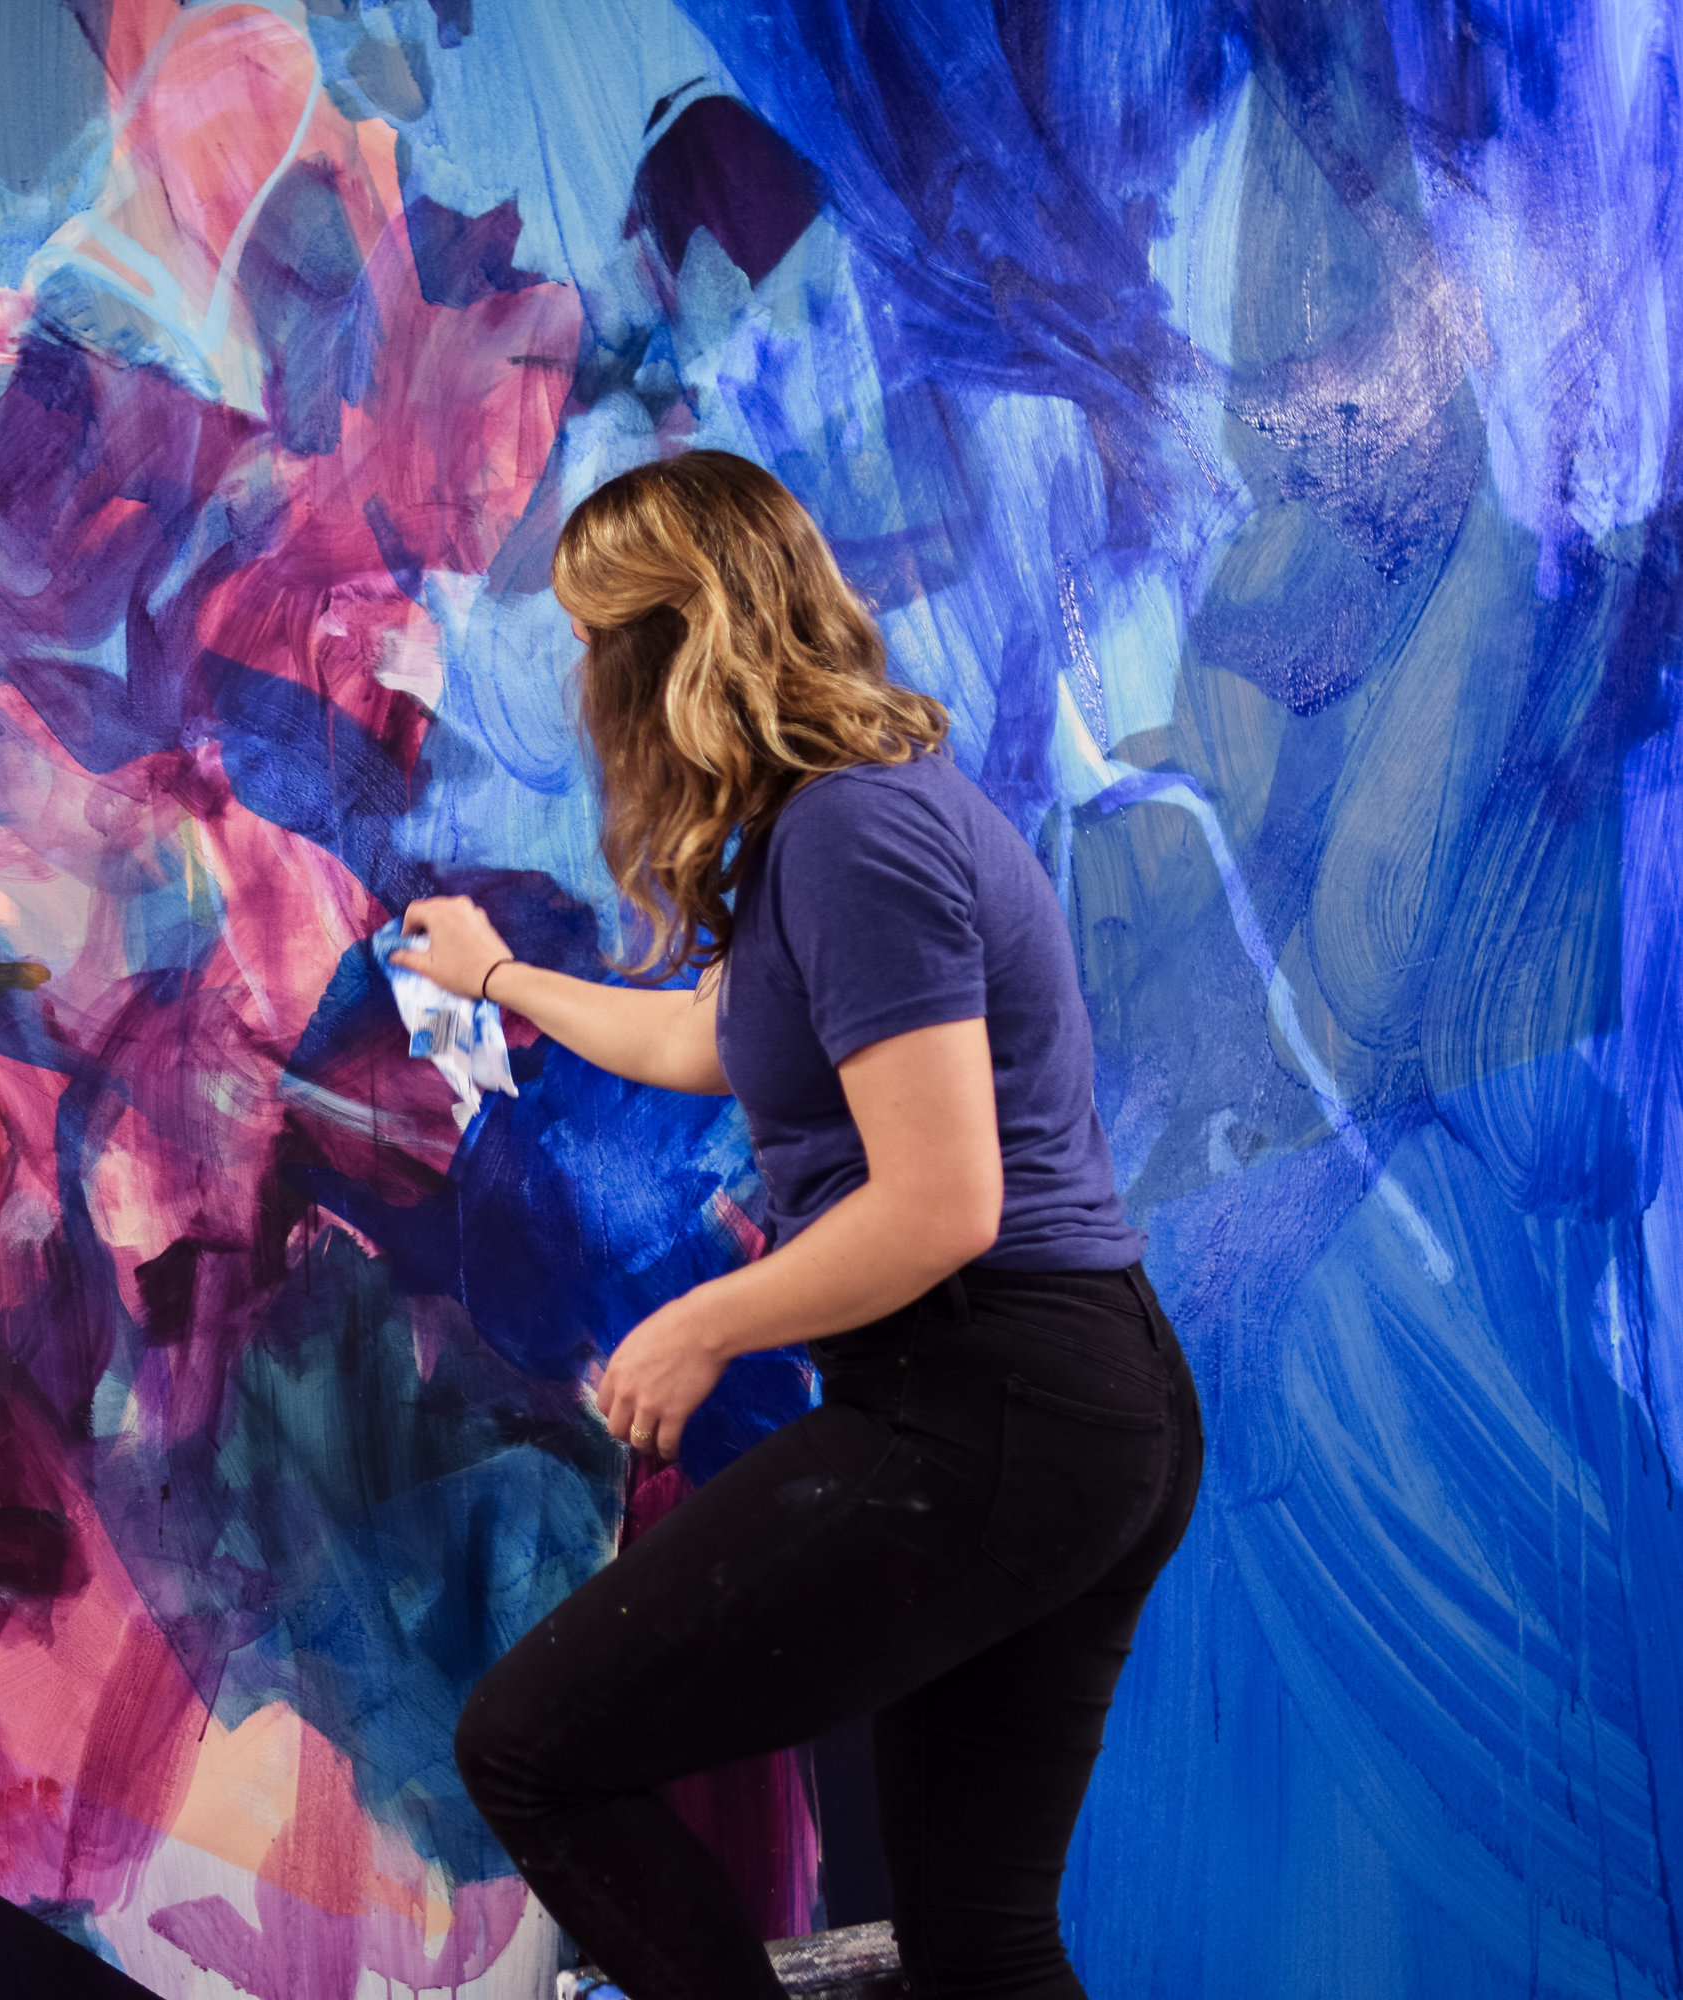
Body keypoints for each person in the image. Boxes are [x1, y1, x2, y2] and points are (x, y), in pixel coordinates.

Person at [391, 450, 1204, 1999]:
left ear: (667, 648)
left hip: (993, 1399)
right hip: (1062, 1402)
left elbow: (946, 1201)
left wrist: (699, 1323)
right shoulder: (825, 839)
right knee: (977, 1943)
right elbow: (709, 1038)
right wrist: (494, 976)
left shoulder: (852, 838)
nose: (580, 683)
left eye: (592, 643)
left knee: (532, 1754)